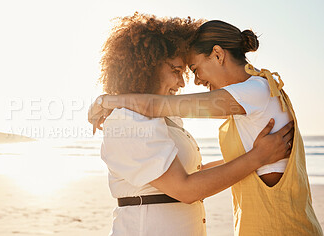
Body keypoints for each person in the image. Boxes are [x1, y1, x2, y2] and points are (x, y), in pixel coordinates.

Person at [89, 19, 323, 235]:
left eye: (191, 69)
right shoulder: (130, 119)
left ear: (218, 55)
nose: (191, 82)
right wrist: (257, 157)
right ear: (149, 66)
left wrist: (108, 100)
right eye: (178, 71)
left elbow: (162, 110)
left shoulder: (254, 92)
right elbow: (188, 185)